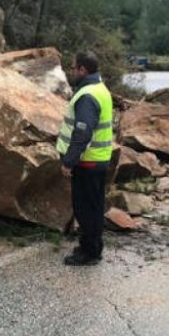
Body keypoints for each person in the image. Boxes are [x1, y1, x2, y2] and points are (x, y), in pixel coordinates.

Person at [56, 51, 114, 266]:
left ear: (83, 69)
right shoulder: (101, 89)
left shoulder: (87, 95)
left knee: (85, 208)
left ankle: (88, 253)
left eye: (73, 68)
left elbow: (82, 132)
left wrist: (69, 161)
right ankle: (94, 248)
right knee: (95, 206)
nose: (71, 71)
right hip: (99, 159)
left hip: (87, 162)